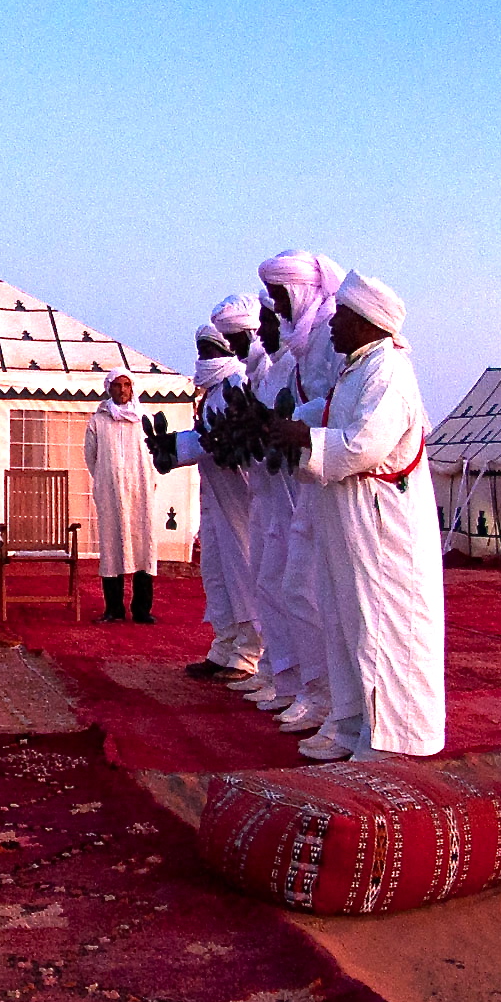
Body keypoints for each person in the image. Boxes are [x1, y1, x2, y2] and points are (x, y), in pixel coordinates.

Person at [291, 269, 446, 759]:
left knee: (381, 627)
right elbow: (335, 416)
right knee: (344, 621)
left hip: (384, 526)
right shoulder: (358, 367)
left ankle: (392, 741)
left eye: (342, 317)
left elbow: (363, 445)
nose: (332, 325)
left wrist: (300, 439)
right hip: (350, 517)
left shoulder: (390, 372)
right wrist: (293, 421)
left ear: (366, 322)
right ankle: (351, 721)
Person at [244, 249, 342, 732]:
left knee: (308, 591)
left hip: (330, 483)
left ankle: (326, 700)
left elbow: (342, 403)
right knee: (287, 587)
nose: (275, 313)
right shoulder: (307, 342)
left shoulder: (327, 333)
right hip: (299, 485)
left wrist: (288, 422)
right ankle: (305, 688)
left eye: (279, 298)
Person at [165, 304, 262, 680]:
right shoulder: (214, 391)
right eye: (200, 352)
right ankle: (224, 646)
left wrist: (180, 448)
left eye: (209, 351)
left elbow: (224, 437)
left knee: (243, 572)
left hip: (240, 497)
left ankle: (249, 653)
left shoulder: (239, 383)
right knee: (217, 573)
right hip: (216, 499)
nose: (203, 358)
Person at [84, 370, 159, 622]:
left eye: (127, 385)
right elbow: (91, 458)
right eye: (117, 385)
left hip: (140, 493)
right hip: (110, 493)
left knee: (143, 547)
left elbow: (153, 453)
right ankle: (113, 609)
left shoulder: (143, 418)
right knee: (111, 547)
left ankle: (142, 610)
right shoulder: (98, 421)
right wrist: (109, 480)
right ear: (109, 388)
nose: (122, 390)